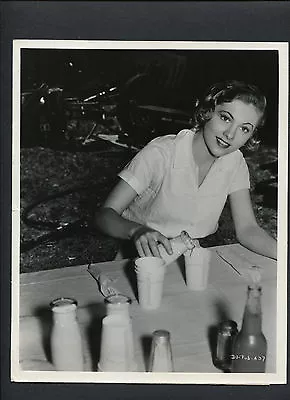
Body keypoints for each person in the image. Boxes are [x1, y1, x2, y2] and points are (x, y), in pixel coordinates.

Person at [95, 80, 277, 261]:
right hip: (140, 259)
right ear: (207, 112)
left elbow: (247, 229)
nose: (230, 134)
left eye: (244, 129)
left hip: (191, 260)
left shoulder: (235, 162)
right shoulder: (161, 153)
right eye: (225, 118)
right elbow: (105, 215)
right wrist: (136, 231)